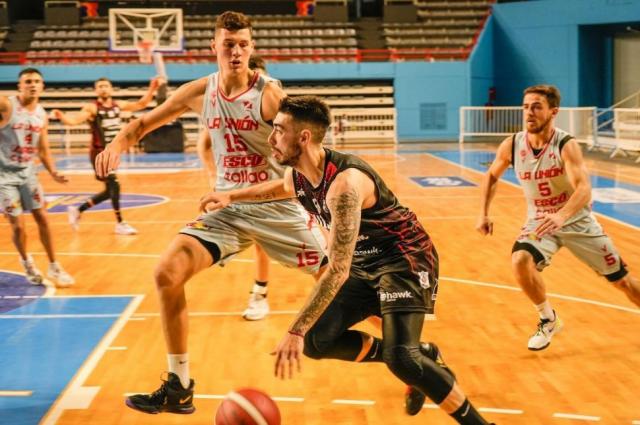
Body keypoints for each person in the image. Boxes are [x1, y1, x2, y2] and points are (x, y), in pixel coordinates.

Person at [200, 95, 493, 424]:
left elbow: (337, 270)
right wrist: (230, 195)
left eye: (279, 130)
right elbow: (278, 188)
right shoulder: (298, 176)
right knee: (316, 341)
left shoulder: (344, 185)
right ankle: (423, 353)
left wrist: (294, 330)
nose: (271, 138)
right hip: (364, 264)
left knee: (400, 359)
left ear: (304, 137)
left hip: (404, 258)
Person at [94, 11, 327, 414]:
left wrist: (323, 201)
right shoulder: (199, 92)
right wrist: (116, 144)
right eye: (228, 44)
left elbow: (306, 155)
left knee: (341, 284)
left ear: (252, 48)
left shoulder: (270, 96)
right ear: (214, 46)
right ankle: (179, 386)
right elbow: (141, 125)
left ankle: (409, 351)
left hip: (277, 207)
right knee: (166, 273)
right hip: (227, 210)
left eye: (243, 45)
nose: (236, 51)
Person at [476, 84, 640, 351]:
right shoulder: (512, 144)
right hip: (540, 222)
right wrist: (484, 213)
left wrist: (561, 215)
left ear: (553, 111)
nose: (529, 112)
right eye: (526, 107)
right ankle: (548, 319)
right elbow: (491, 176)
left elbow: (584, 189)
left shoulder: (565, 144)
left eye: (536, 107)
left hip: (577, 221)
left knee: (623, 282)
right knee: (520, 259)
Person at [196, 53, 274, 321]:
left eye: (260, 76)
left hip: (271, 184)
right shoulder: (224, 106)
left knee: (269, 242)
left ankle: (260, 294)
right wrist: (212, 175)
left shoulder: (273, 102)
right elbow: (204, 143)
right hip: (235, 185)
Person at [52, 77, 161, 235]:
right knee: (114, 185)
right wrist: (62, 116)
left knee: (109, 190)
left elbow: (141, 104)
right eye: (100, 86)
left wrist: (152, 89)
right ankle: (120, 223)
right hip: (99, 153)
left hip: (112, 152)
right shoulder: (92, 108)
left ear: (111, 89)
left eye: (106, 86)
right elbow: (74, 120)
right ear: (96, 90)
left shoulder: (118, 105)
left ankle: (78, 210)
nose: (103, 88)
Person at [0, 68, 75, 287]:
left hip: (28, 173)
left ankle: (54, 266)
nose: (32, 84)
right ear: (19, 86)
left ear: (42, 86)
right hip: (4, 176)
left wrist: (53, 172)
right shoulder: (6, 105)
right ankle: (27, 263)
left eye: (36, 81)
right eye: (28, 81)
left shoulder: (42, 114)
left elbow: (43, 150)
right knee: (18, 226)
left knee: (42, 217)